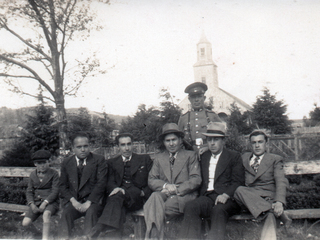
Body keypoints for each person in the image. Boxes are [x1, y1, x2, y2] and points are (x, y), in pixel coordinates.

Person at [179, 121, 245, 240]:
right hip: (208, 197)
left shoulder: (233, 156)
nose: (212, 143)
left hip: (228, 199)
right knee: (191, 207)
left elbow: (238, 181)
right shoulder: (204, 156)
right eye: (209, 140)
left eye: (216, 139)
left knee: (218, 210)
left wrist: (226, 195)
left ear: (223, 141)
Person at [87, 133, 153, 238]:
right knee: (119, 207)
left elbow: (153, 180)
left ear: (133, 145)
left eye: (129, 144)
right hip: (119, 200)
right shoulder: (111, 162)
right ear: (118, 146)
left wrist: (143, 192)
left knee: (117, 197)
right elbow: (110, 182)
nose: (126, 148)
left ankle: (97, 229)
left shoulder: (144, 159)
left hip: (137, 198)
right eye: (123, 145)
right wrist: (116, 189)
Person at [144, 123, 201, 240]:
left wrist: (176, 189)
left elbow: (196, 179)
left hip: (184, 196)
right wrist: (166, 185)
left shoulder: (190, 156)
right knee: (155, 196)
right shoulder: (159, 158)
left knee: (153, 209)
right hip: (164, 194)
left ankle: (153, 237)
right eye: (167, 141)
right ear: (163, 142)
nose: (171, 144)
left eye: (174, 140)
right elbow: (151, 179)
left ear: (180, 140)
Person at [234, 129, 292, 240]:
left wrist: (279, 201)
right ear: (250, 144)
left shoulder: (274, 159)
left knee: (269, 215)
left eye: (260, 142)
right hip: (249, 200)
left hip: (267, 199)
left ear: (266, 143)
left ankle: (270, 212)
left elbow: (280, 180)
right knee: (239, 190)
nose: (257, 145)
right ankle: (280, 215)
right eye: (254, 142)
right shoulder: (244, 158)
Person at [59, 132, 108, 239]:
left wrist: (88, 202)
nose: (83, 150)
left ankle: (87, 238)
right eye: (79, 147)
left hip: (93, 202)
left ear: (89, 146)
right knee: (66, 213)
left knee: (91, 213)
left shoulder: (98, 160)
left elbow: (101, 184)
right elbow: (62, 186)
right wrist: (73, 201)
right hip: (75, 202)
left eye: (85, 146)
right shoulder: (67, 162)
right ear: (73, 148)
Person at [22, 150, 59, 240]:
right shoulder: (33, 175)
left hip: (51, 202)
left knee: (46, 214)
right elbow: (29, 191)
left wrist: (45, 202)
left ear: (48, 162)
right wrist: (32, 204)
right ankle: (38, 234)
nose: (42, 165)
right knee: (25, 223)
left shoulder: (54, 173)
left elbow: (55, 191)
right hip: (36, 202)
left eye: (45, 163)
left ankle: (44, 238)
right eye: (39, 163)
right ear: (35, 164)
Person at [178, 82, 221, 154]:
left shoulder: (212, 116)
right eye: (193, 97)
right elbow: (179, 139)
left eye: (199, 96)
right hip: (190, 153)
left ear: (204, 98)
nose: (196, 100)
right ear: (189, 99)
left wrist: (208, 147)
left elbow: (221, 137)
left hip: (209, 153)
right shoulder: (183, 118)